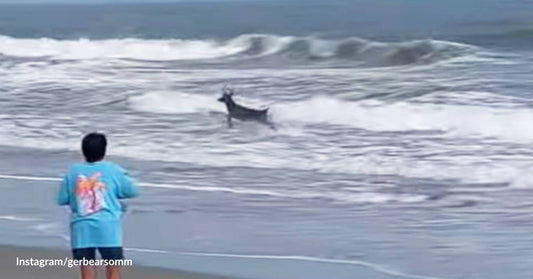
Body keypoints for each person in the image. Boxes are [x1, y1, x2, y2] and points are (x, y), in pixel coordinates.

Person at [57, 132, 140, 279]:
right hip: (108, 228)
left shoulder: (73, 172)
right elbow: (132, 191)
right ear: (104, 151)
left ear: (83, 151)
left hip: (82, 229)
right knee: (113, 270)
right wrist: (114, 194)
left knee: (87, 272)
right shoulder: (113, 170)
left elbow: (62, 199)